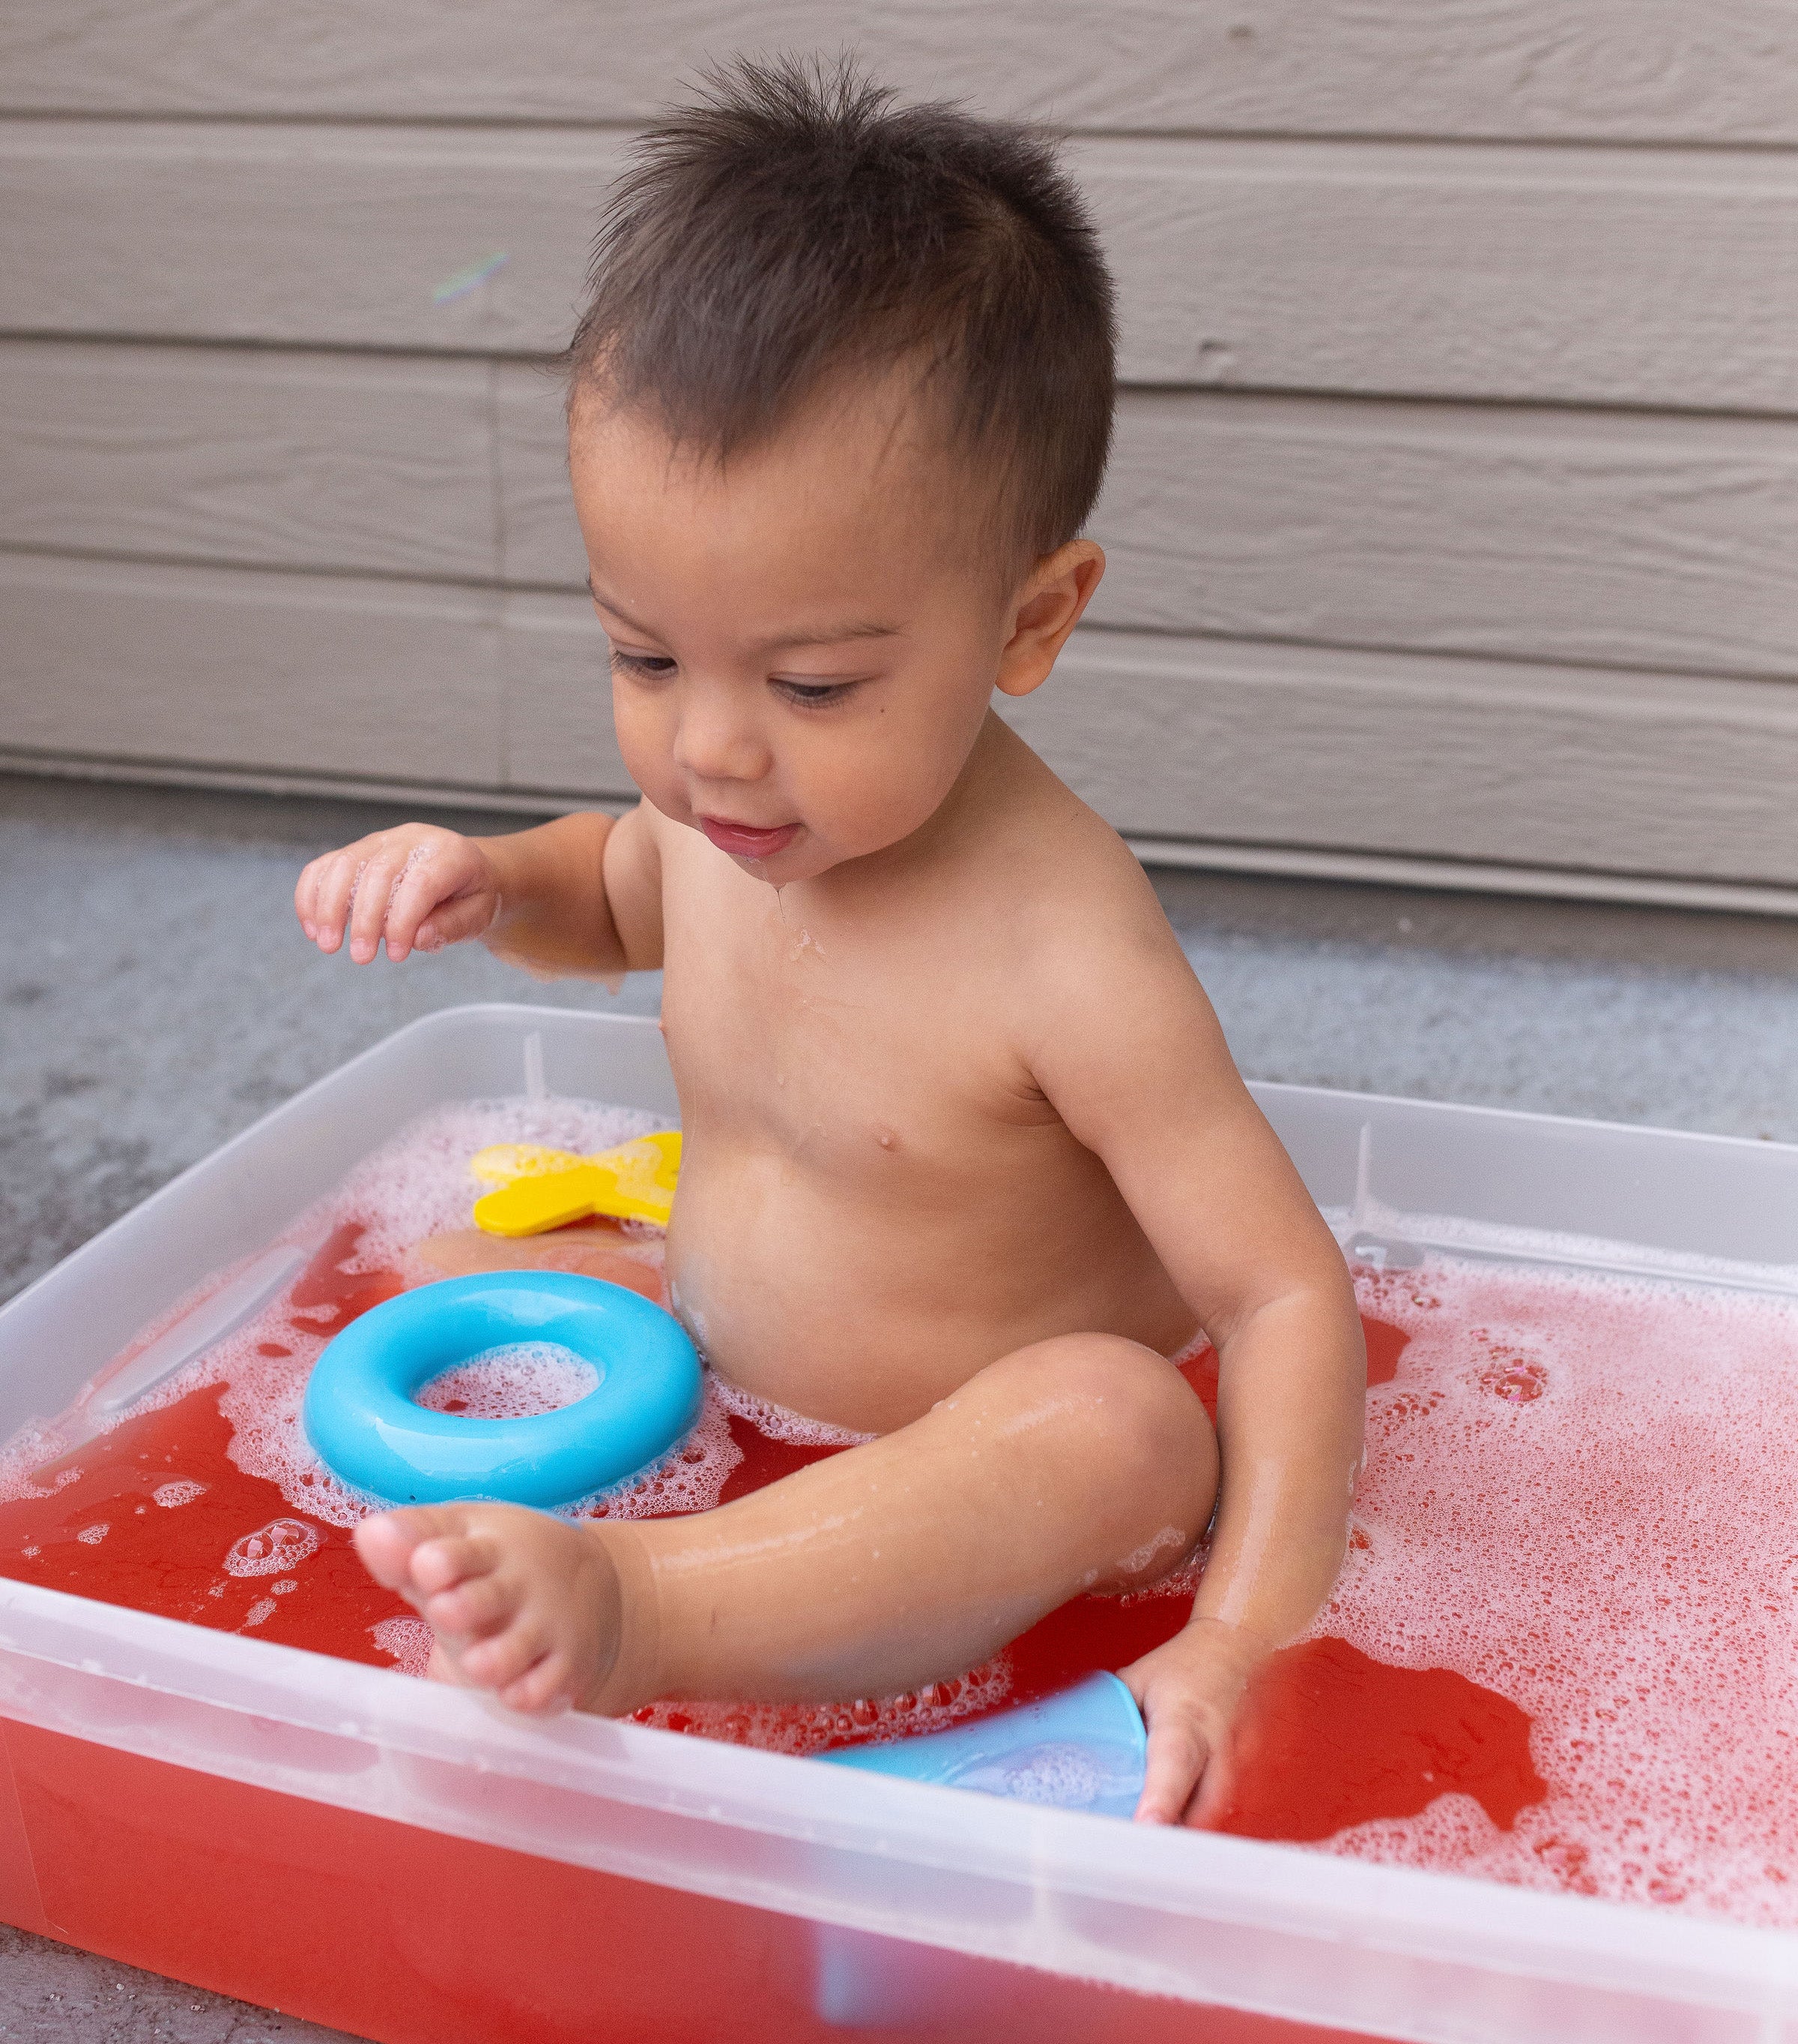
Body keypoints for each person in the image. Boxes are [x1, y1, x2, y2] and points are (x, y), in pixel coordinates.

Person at [294, 57, 1365, 1827]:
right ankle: (543, 1573)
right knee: (426, 1257)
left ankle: (652, 1606)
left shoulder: (1059, 950)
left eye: (811, 682)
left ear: (1031, 620)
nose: (711, 747)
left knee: (1118, 1423)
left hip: (1007, 1477)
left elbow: (1280, 1290)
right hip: (735, 1373)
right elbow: (616, 886)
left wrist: (1248, 1632)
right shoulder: (739, 817)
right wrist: (493, 879)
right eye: (646, 655)